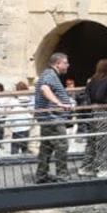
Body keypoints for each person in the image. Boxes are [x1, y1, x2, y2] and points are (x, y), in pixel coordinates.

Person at [34, 53, 74, 183]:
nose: (68, 65)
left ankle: (41, 175)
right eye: (66, 63)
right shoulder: (50, 75)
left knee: (46, 147)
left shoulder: (48, 74)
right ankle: (62, 175)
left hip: (47, 118)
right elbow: (44, 88)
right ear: (58, 64)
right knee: (62, 146)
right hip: (52, 119)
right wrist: (59, 103)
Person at [80, 60, 107, 177]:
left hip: (93, 114)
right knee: (103, 141)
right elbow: (100, 96)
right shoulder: (104, 81)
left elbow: (87, 94)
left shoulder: (92, 80)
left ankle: (85, 167)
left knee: (92, 142)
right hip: (102, 114)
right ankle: (102, 169)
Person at [8, 81, 32, 154]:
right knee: (24, 144)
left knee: (15, 144)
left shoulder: (14, 100)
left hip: (16, 122)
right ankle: (25, 155)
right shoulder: (29, 99)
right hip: (26, 121)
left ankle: (14, 157)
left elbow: (9, 109)